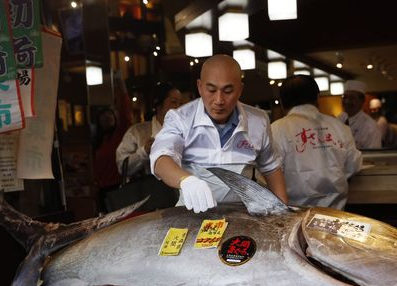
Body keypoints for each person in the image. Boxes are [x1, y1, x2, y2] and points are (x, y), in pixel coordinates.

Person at [149, 54, 287, 213]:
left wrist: (282, 214)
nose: (219, 100)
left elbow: (271, 167)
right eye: (211, 90)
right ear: (200, 87)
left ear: (240, 90)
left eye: (228, 91)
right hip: (191, 214)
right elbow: (161, 158)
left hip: (240, 215)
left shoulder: (258, 121)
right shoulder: (180, 118)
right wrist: (186, 181)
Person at [270, 75, 362, 210]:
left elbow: (268, 176)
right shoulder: (339, 127)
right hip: (335, 214)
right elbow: (353, 166)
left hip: (294, 219)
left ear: (282, 102)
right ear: (318, 98)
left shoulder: (276, 129)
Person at [116, 83, 183, 176]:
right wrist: (144, 151)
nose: (179, 107)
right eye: (174, 102)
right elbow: (122, 167)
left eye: (181, 103)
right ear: (158, 103)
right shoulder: (137, 132)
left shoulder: (186, 132)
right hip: (147, 188)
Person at [92, 73, 132, 212]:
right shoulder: (98, 142)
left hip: (119, 188)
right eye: (103, 116)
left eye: (109, 114)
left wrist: (121, 85)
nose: (107, 117)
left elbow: (125, 111)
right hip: (102, 191)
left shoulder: (120, 135)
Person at [337, 80, 382, 150]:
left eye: (352, 98)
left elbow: (373, 156)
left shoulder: (371, 127)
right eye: (344, 97)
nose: (347, 101)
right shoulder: (340, 118)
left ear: (362, 101)